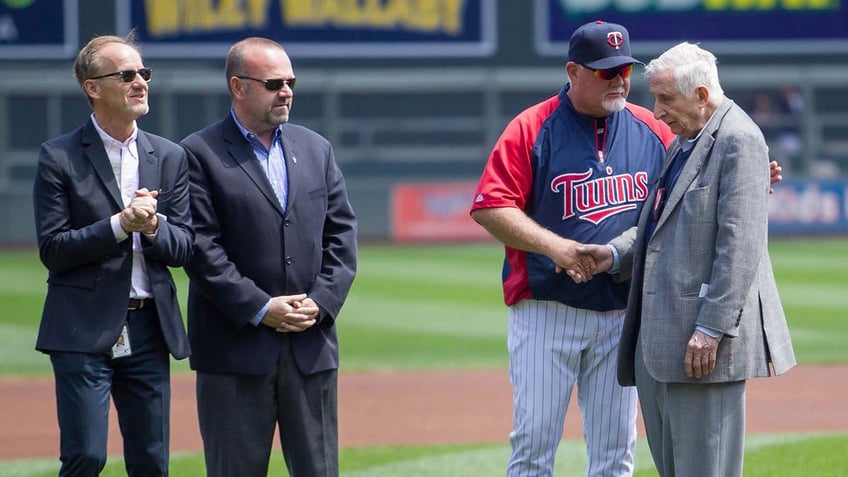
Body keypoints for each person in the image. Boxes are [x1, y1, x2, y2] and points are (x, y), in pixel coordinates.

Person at [581, 42, 796, 477]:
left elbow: (740, 246)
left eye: (666, 99)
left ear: (701, 95)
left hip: (702, 346)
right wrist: (611, 254)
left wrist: (710, 328)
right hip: (662, 342)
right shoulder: (687, 140)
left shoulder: (739, 138)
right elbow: (657, 224)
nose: (656, 112)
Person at [470, 21, 675, 476]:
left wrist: (753, 178)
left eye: (624, 69)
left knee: (615, 453)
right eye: (605, 72)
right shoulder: (531, 127)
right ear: (572, 71)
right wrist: (556, 247)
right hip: (548, 308)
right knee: (533, 446)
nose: (619, 80)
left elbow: (691, 191)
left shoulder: (651, 128)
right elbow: (490, 206)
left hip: (623, 312)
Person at [180, 37, 357, 477]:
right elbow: (201, 248)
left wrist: (322, 301)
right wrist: (260, 308)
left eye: (291, 81)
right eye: (274, 82)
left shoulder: (316, 148)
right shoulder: (197, 154)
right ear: (238, 87)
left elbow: (342, 236)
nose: (287, 91)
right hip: (234, 350)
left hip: (310, 346)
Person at [32, 33, 193, 476]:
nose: (140, 82)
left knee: (151, 462)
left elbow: (185, 246)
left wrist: (155, 225)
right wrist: (121, 225)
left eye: (144, 73)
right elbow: (53, 249)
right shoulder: (58, 157)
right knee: (86, 456)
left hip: (148, 328)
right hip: (82, 327)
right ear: (93, 87)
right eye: (127, 75)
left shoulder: (170, 156)